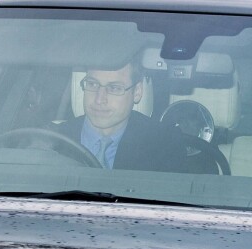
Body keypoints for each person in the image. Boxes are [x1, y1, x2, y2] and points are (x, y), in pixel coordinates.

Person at [52, 53, 188, 173]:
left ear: (137, 92)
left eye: (114, 88)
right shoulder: (51, 141)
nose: (99, 99)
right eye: (92, 84)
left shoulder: (164, 145)